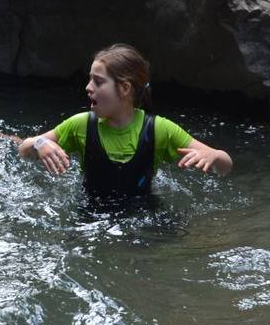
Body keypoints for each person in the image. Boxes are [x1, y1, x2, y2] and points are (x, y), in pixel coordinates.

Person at [19, 43, 233, 204]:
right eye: (90, 79)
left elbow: (225, 165)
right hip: (91, 216)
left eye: (98, 81)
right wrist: (40, 143)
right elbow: (23, 149)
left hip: (145, 216)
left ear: (124, 88)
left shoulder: (159, 129)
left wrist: (214, 155)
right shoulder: (81, 125)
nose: (88, 87)